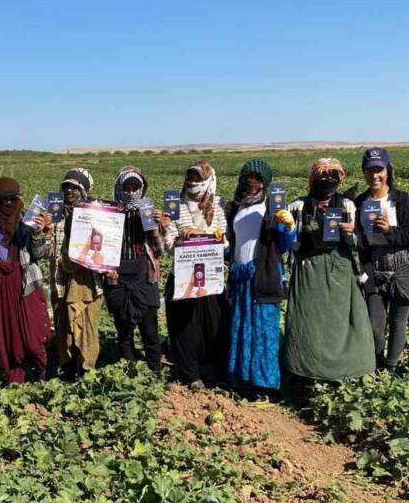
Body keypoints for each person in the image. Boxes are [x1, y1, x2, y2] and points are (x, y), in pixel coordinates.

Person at [282, 158, 376, 381]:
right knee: (308, 324)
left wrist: (349, 233)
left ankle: (347, 373)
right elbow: (288, 244)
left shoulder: (346, 206)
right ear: (313, 179)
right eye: (323, 176)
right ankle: (304, 374)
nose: (327, 181)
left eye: (333, 177)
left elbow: (357, 242)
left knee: (343, 323)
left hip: (340, 273)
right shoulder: (297, 206)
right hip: (308, 272)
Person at [225, 159, 296, 394]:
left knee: (263, 330)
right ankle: (242, 379)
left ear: (265, 183)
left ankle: (264, 384)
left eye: (257, 178)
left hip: (262, 276)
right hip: (240, 277)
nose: (252, 182)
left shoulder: (271, 209)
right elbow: (235, 244)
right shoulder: (236, 207)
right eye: (248, 177)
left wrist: (287, 227)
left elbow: (284, 246)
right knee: (241, 327)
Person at [354, 148, 409, 374]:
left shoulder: (402, 201)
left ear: (388, 170)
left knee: (399, 322)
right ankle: (375, 364)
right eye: (370, 170)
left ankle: (391, 368)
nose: (375, 175)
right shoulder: (359, 203)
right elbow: (357, 239)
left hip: (403, 269)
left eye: (379, 170)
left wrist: (390, 230)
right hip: (373, 268)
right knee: (375, 324)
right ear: (364, 173)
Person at [163, 160, 231, 388]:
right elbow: (168, 245)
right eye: (190, 177)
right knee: (185, 327)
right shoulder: (175, 206)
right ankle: (191, 374)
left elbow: (226, 241)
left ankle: (211, 370)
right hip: (182, 276)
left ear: (208, 180)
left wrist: (202, 234)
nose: (192, 182)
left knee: (213, 326)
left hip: (211, 277)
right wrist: (180, 238)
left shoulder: (221, 206)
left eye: (197, 178)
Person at [0, 177, 53, 383]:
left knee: (33, 338)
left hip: (26, 284)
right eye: (2, 199)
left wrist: (39, 234)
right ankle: (15, 379)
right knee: (7, 338)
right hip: (0, 287)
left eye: (12, 198)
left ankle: (41, 373)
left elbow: (41, 254)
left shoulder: (29, 221)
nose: (7, 203)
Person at [105, 166, 168, 374]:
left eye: (135, 187)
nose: (131, 191)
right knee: (124, 330)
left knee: (149, 328)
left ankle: (155, 369)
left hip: (144, 275)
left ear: (142, 189)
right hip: (118, 277)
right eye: (127, 187)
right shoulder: (109, 213)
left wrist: (157, 229)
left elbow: (159, 251)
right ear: (119, 188)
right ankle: (129, 371)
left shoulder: (149, 211)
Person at [49, 168, 104, 379]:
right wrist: (42, 230)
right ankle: (69, 368)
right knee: (64, 326)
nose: (70, 191)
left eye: (75, 187)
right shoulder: (53, 214)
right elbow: (44, 248)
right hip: (60, 279)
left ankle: (86, 369)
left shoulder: (96, 215)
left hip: (89, 281)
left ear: (84, 191)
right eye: (66, 187)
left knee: (88, 325)